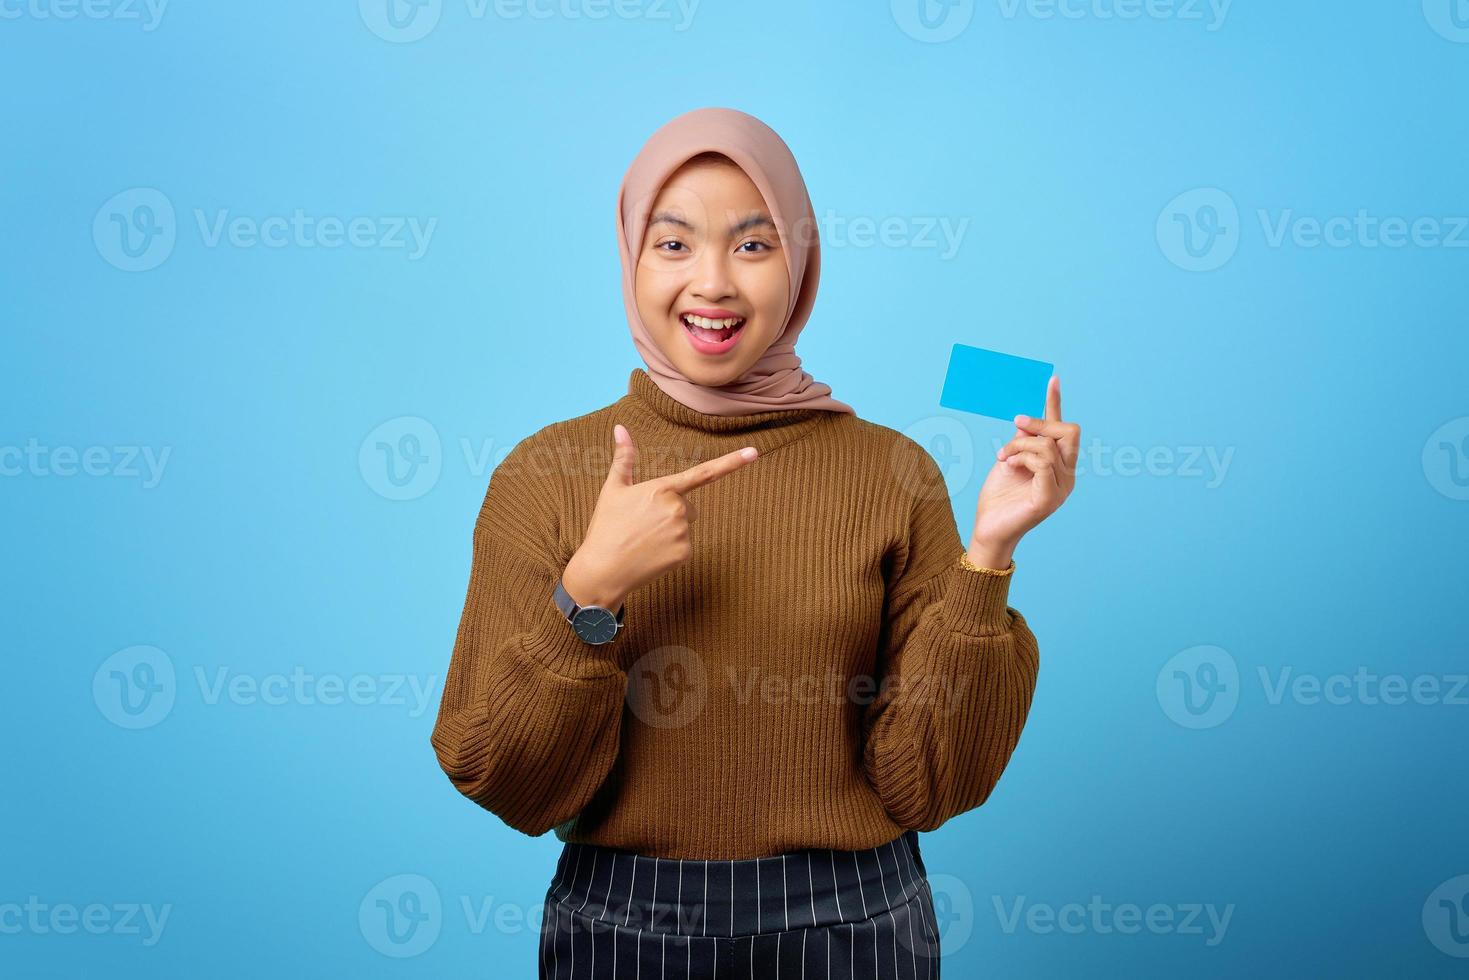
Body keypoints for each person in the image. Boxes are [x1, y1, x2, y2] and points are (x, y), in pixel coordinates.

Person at [429, 106, 1080, 979]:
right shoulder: (544, 472)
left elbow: (929, 786)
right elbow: (505, 781)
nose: (712, 285)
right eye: (672, 245)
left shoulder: (893, 471)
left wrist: (989, 555)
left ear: (800, 263)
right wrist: (588, 591)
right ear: (629, 256)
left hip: (852, 926)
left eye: (751, 244)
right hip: (621, 932)